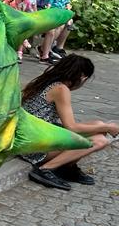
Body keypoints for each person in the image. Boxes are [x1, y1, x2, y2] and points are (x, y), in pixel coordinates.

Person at [20, 54, 118, 190]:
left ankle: (67, 166)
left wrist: (102, 126)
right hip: (34, 146)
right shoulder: (61, 89)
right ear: (82, 77)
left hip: (31, 136)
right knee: (99, 140)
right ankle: (45, 169)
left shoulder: (46, 82)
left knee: (97, 124)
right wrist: (108, 127)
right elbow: (72, 127)